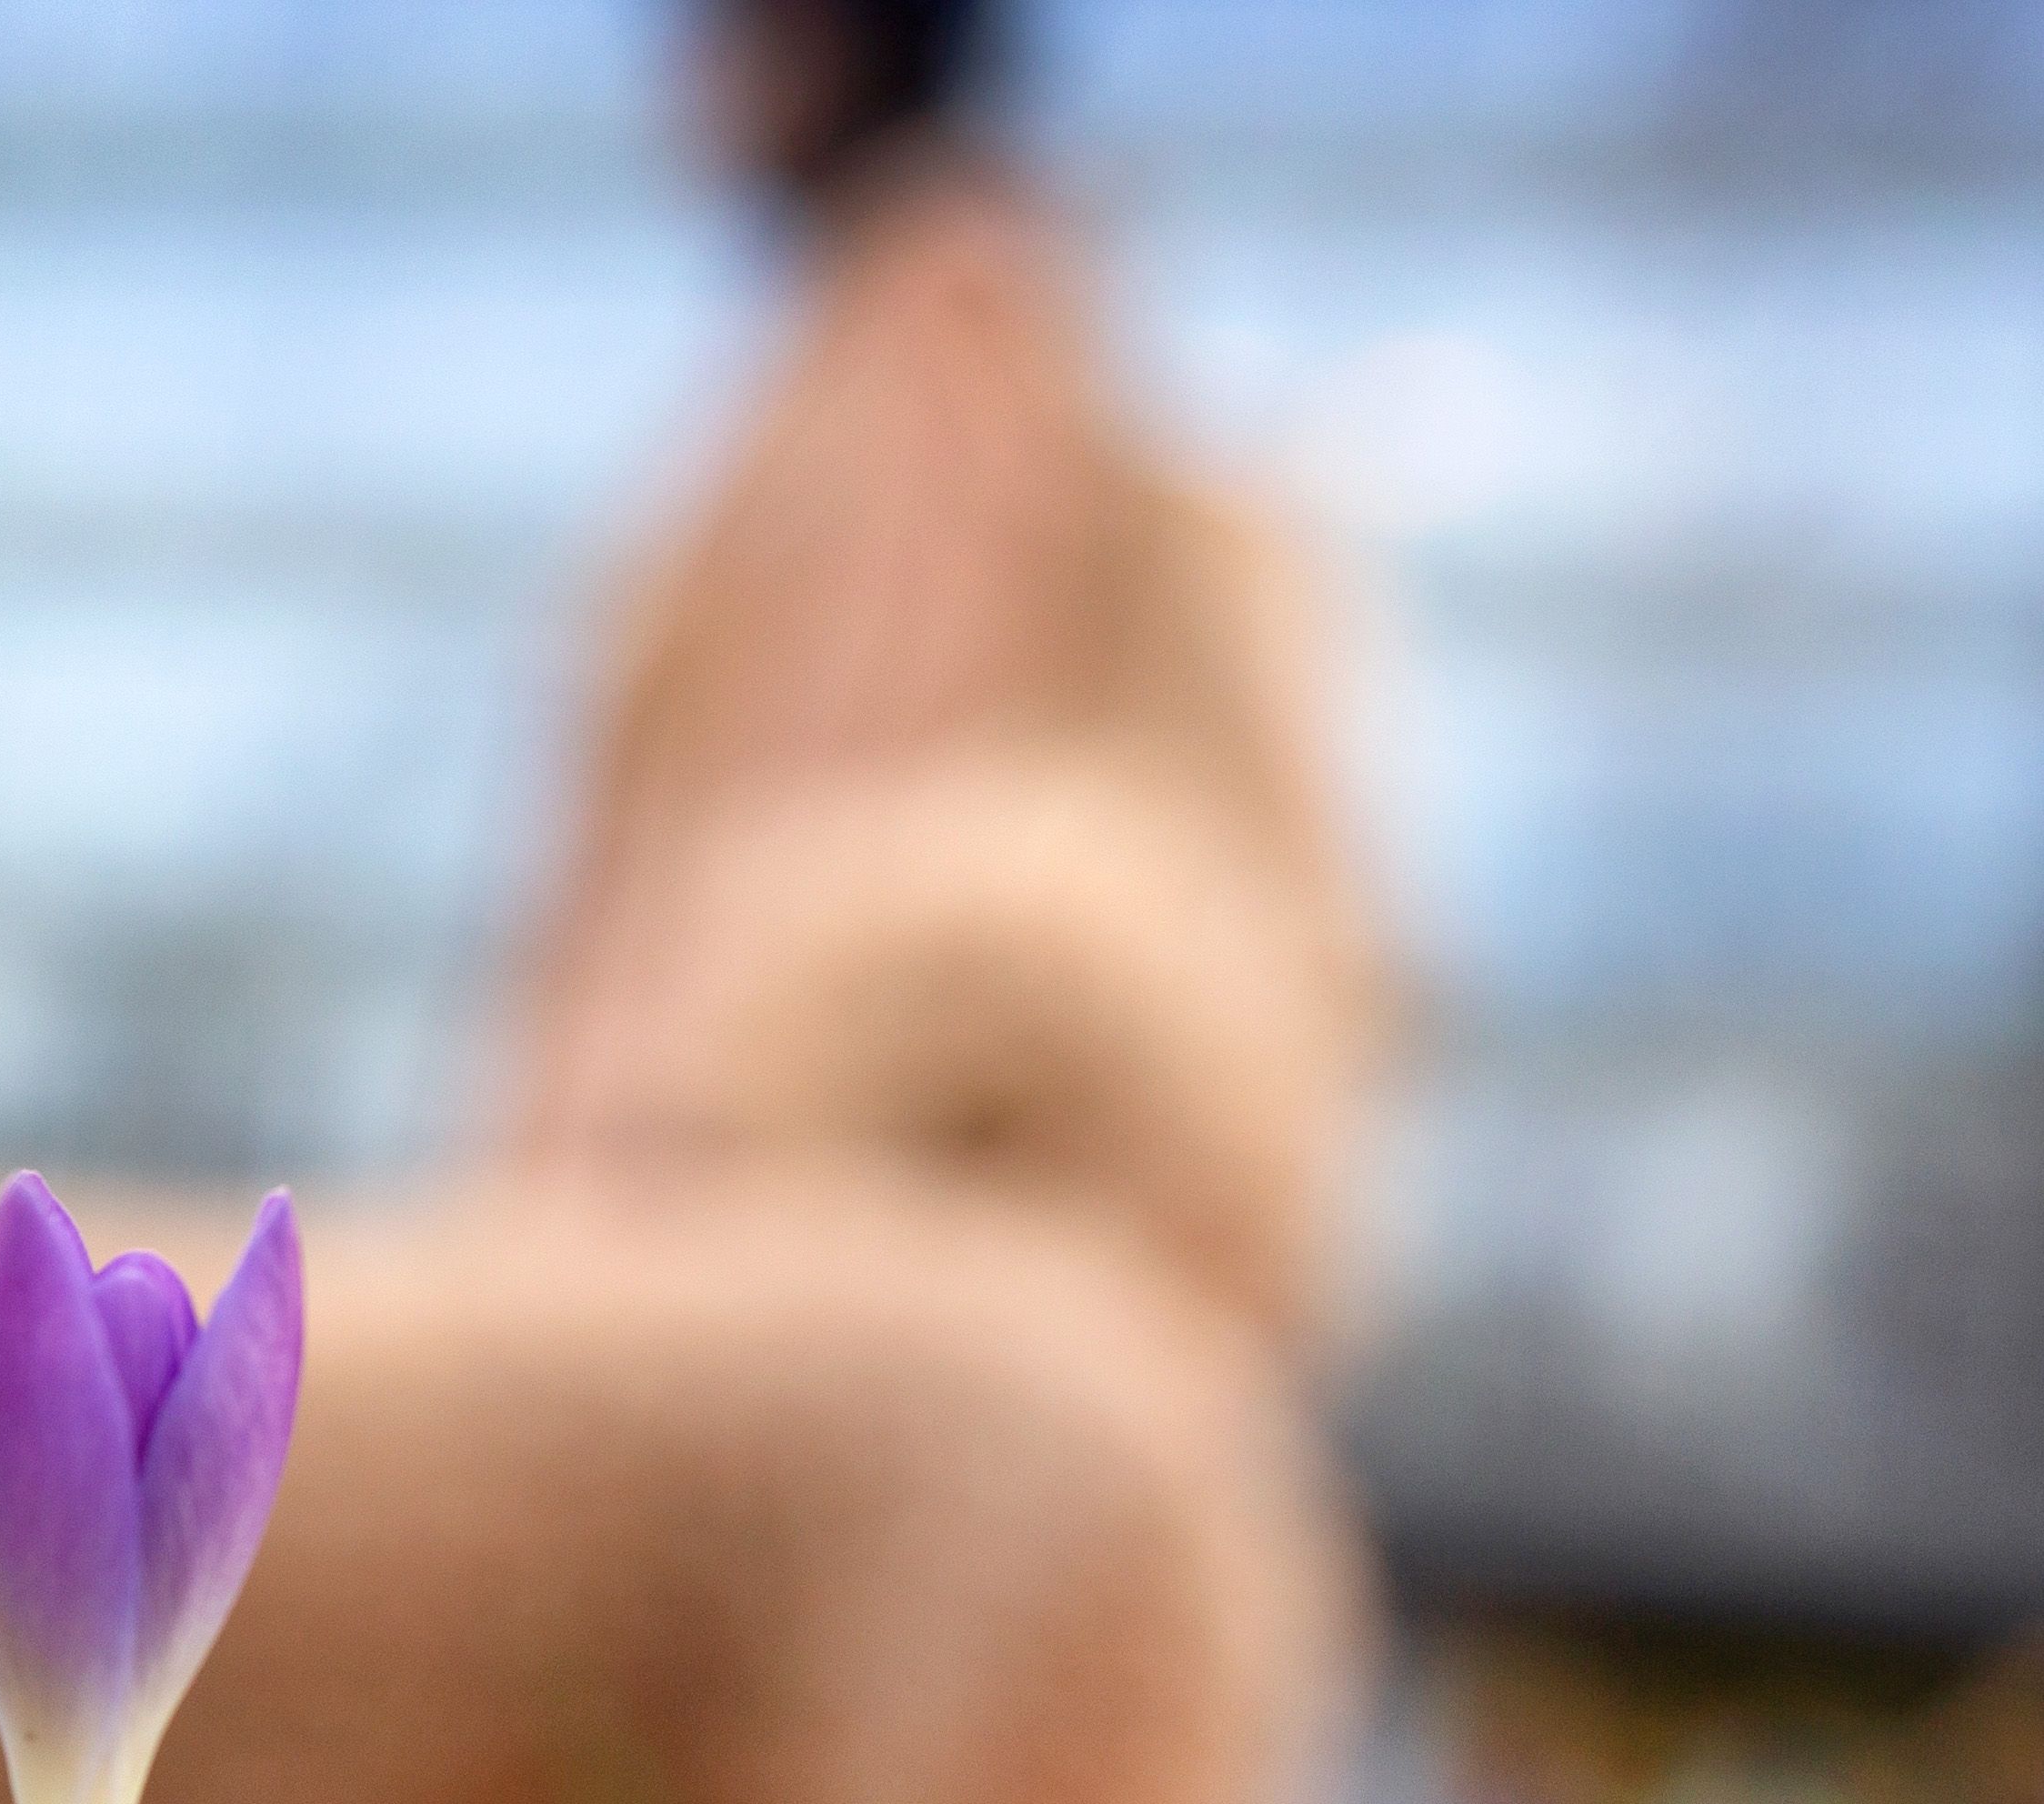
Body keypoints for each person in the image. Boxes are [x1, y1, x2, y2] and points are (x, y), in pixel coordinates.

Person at [506, 0, 1390, 1347]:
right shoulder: (954, 320)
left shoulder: (930, 339)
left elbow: (842, 809)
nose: (679, 79)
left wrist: (614, 1193)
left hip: (806, 1267)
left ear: (812, 40)